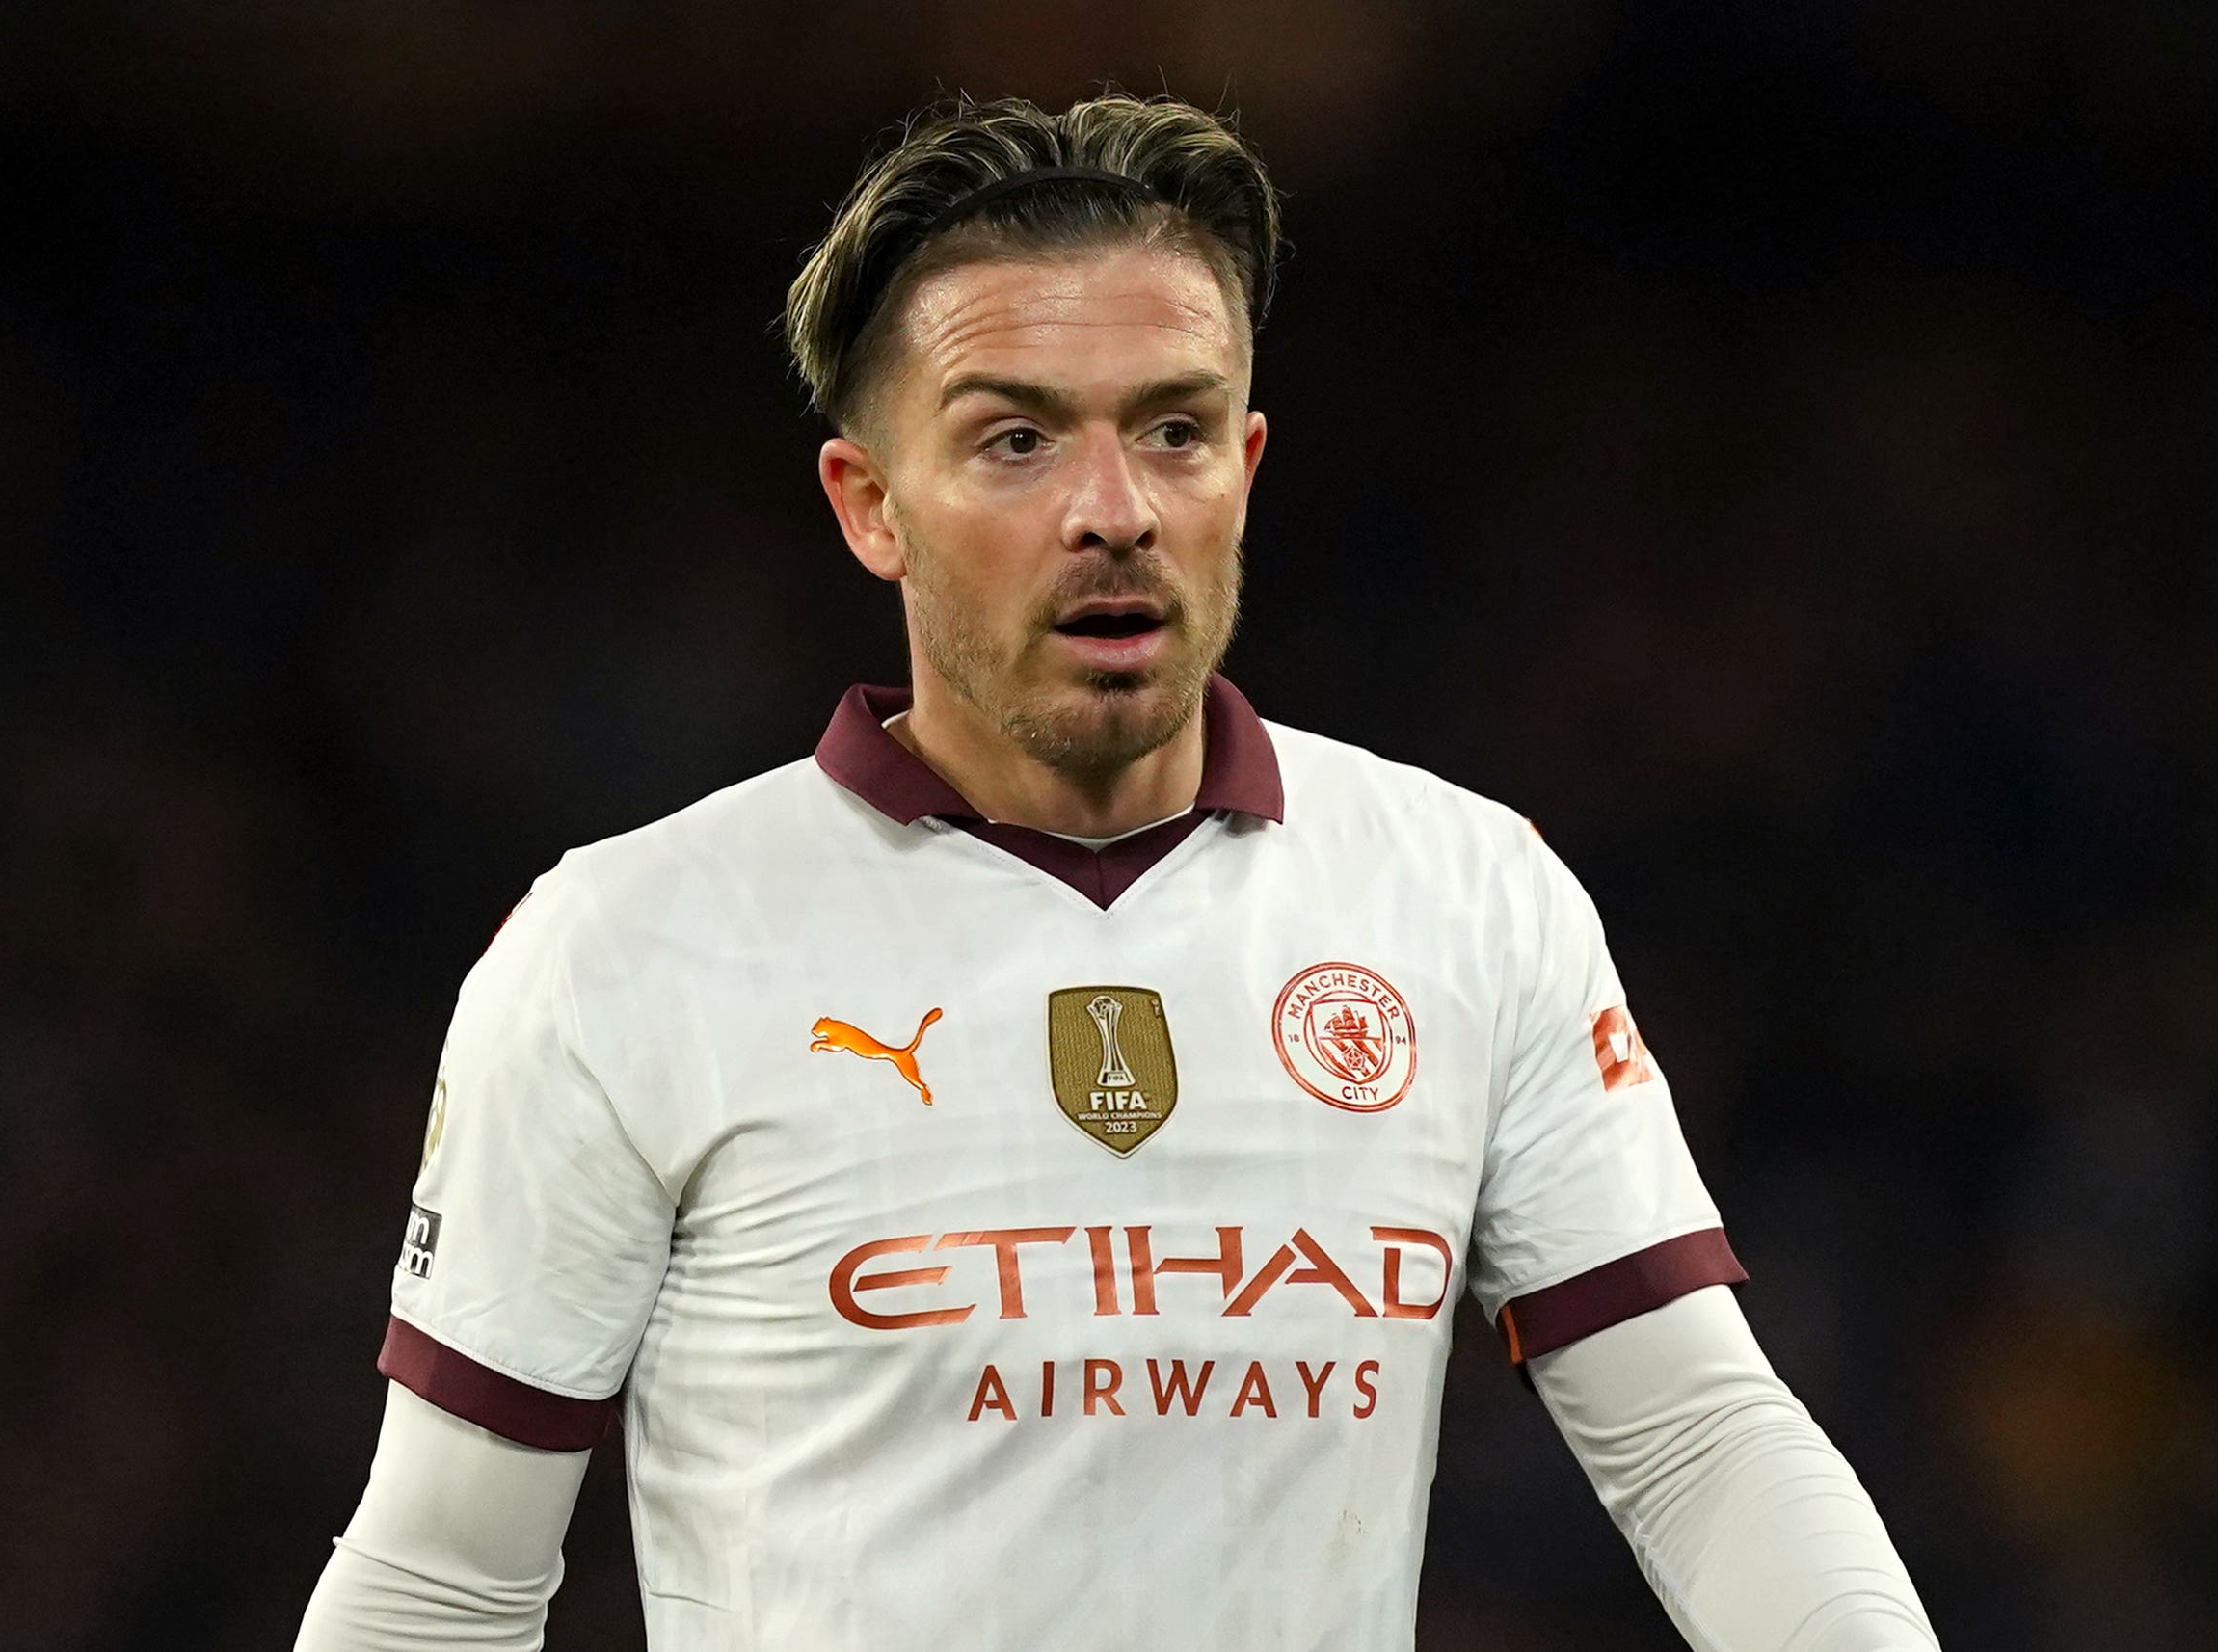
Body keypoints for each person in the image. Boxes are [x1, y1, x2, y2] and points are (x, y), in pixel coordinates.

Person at [295, 93, 1940, 1652]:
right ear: (870, 504)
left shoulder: (1468, 895)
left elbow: (1700, 1439)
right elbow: (444, 1575)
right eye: (1015, 439)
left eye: (1174, 430)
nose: (1114, 510)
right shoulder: (626, 944)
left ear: (1248, 466)